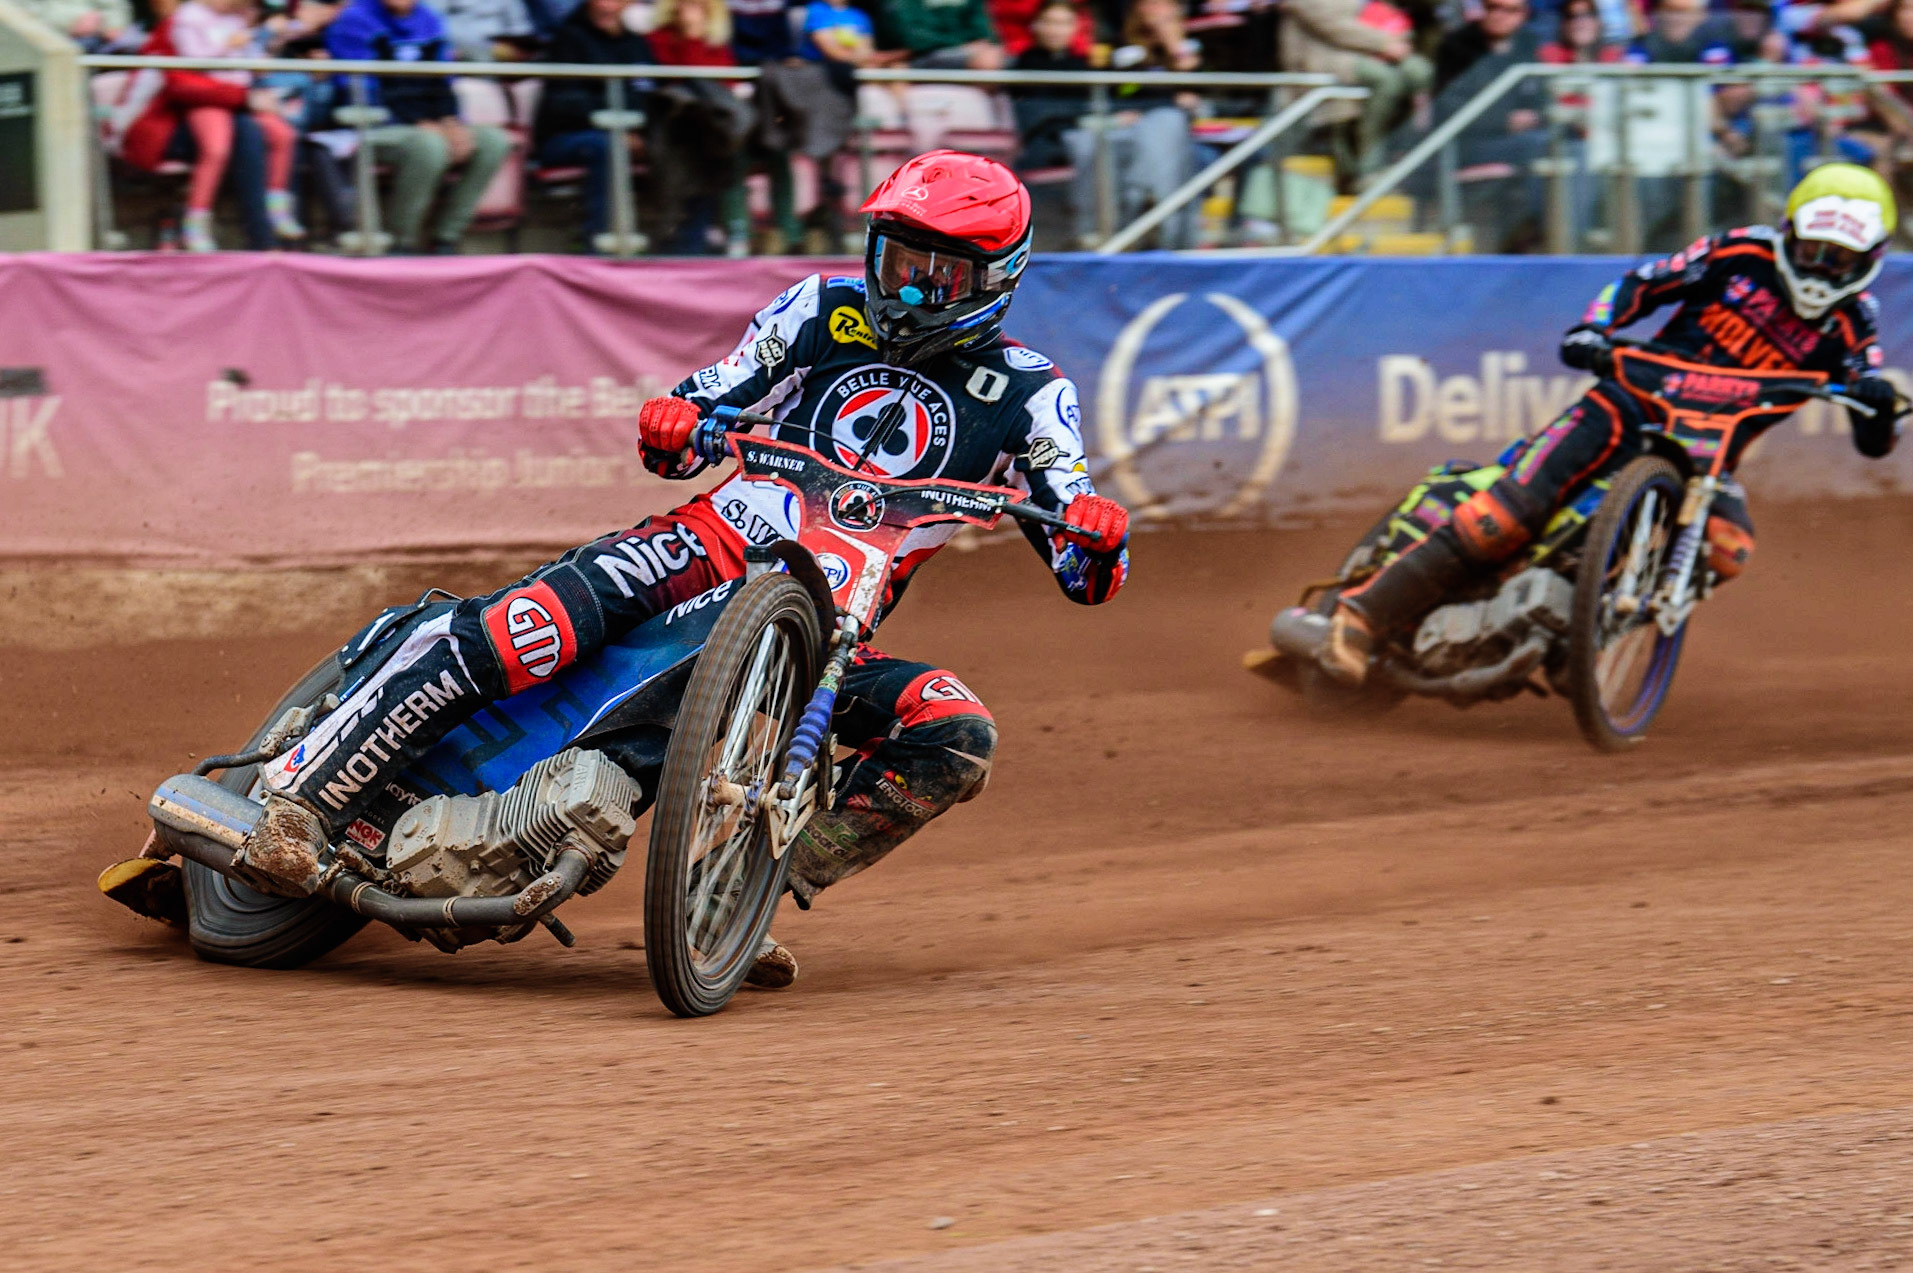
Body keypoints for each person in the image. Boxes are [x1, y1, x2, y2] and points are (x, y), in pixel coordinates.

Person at [228, 151, 1132, 989]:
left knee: (955, 731)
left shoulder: (1028, 391)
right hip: (703, 545)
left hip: (818, 632)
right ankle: (300, 800)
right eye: (898, 258)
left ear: (993, 281)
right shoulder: (820, 309)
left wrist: (1096, 533)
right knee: (522, 629)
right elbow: (702, 406)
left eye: (939, 272)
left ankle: (752, 885)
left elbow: (1080, 567)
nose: (910, 284)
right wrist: (674, 416)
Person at [1309, 164, 1904, 686]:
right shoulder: (1738, 252)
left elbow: (1871, 429)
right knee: (1510, 512)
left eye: (1841, 259)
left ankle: (1593, 635)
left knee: (1730, 549)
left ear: (1870, 260)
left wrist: (1877, 403)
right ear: (1788, 233)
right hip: (1629, 405)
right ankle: (1363, 615)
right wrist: (1594, 328)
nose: (1823, 269)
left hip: (1708, 459)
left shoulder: (1854, 323)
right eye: (1812, 251)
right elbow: (1640, 284)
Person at [111, 0, 304, 250]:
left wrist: (268, 42)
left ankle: (275, 212)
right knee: (220, 145)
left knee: (282, 134)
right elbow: (187, 79)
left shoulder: (235, 21)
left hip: (229, 97)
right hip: (173, 118)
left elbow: (249, 64)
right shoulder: (184, 21)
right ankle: (198, 223)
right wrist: (243, 93)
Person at [325, 0, 513, 253]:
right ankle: (400, 242)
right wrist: (420, 123)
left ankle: (445, 238)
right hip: (372, 122)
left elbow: (442, 80)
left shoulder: (429, 18)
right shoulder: (355, 20)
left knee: (493, 141)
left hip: (426, 123)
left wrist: (450, 122)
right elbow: (360, 90)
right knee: (429, 146)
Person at [1066, 0, 1202, 247]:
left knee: (1167, 129)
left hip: (1184, 135)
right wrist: (1162, 92)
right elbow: (1127, 90)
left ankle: (1160, 220)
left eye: (1167, 12)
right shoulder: (1126, 50)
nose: (1159, 14)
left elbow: (1196, 87)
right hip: (1132, 125)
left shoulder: (1189, 50)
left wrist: (1174, 47)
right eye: (1153, 7)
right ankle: (1143, 211)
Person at [1282, 0, 1433, 178]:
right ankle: (1370, 163)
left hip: (1366, 49)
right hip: (1327, 57)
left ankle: (1408, 152)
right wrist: (1383, 43)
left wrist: (1398, 38)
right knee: (1385, 80)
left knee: (1420, 71)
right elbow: (1333, 26)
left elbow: (1383, 11)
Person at [1010, 0, 1089, 170]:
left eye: (1062, 23)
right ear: (1035, 25)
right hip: (1041, 145)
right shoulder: (1024, 65)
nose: (1055, 30)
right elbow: (1039, 114)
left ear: (1075, 27)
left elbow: (1121, 92)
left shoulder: (1084, 66)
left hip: (1083, 137)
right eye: (1049, 22)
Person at [879, 0, 1005, 69]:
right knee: (987, 60)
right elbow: (915, 38)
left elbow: (985, 33)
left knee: (994, 54)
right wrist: (963, 45)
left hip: (970, 52)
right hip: (922, 57)